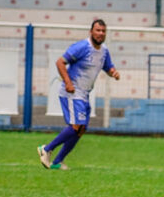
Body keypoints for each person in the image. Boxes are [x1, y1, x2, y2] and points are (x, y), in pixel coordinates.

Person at [37, 20, 120, 170]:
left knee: (81, 129)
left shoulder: (104, 51)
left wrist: (113, 72)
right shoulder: (82, 47)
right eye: (98, 30)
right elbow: (60, 62)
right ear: (91, 31)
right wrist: (68, 83)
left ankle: (57, 162)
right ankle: (47, 148)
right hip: (72, 92)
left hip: (84, 93)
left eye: (103, 31)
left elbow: (108, 66)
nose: (101, 33)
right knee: (76, 125)